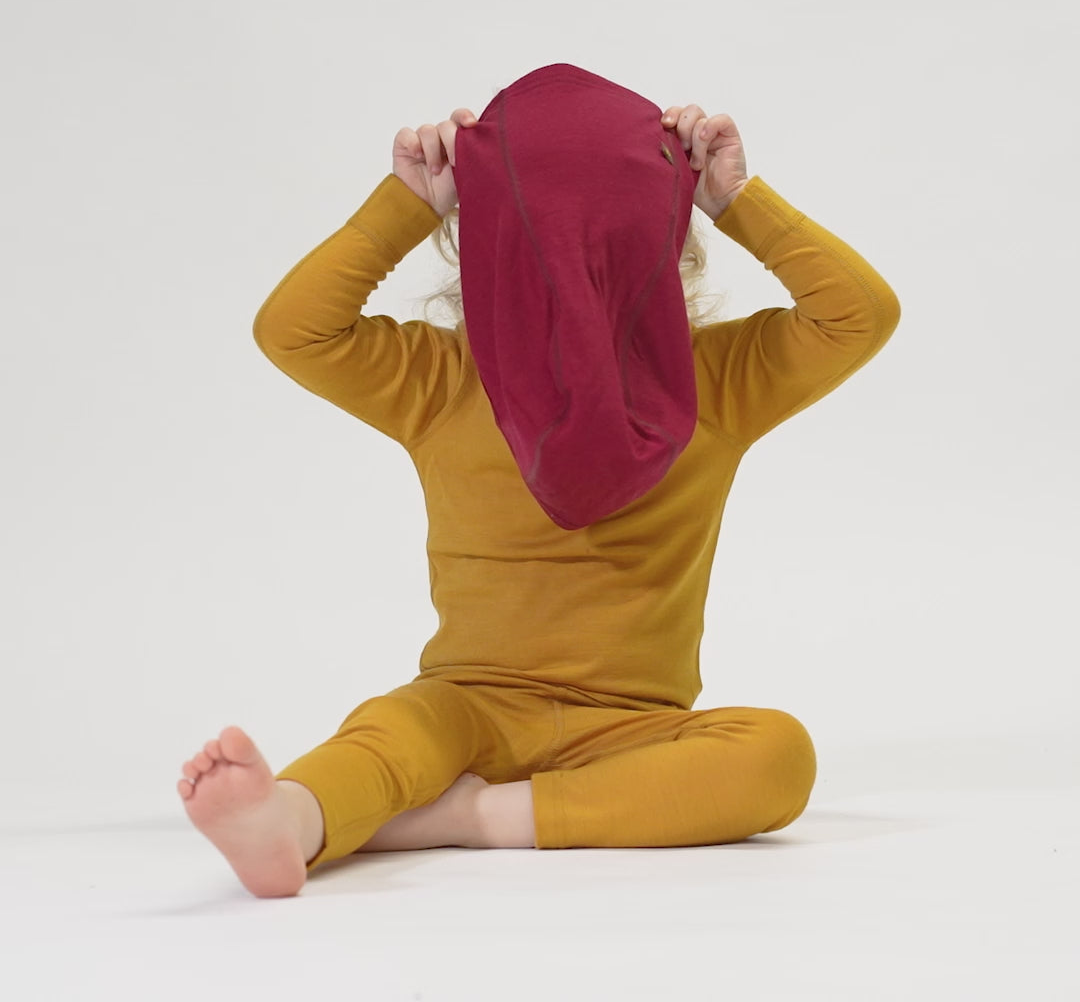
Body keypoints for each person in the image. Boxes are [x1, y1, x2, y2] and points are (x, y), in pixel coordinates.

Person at [177, 97, 901, 899]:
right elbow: (294, 330)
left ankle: (466, 819)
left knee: (775, 754)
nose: (575, 276)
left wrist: (736, 196)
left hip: (634, 730)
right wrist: (409, 201)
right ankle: (290, 819)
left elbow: (859, 317)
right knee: (394, 731)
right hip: (467, 706)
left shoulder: (715, 383)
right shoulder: (447, 378)